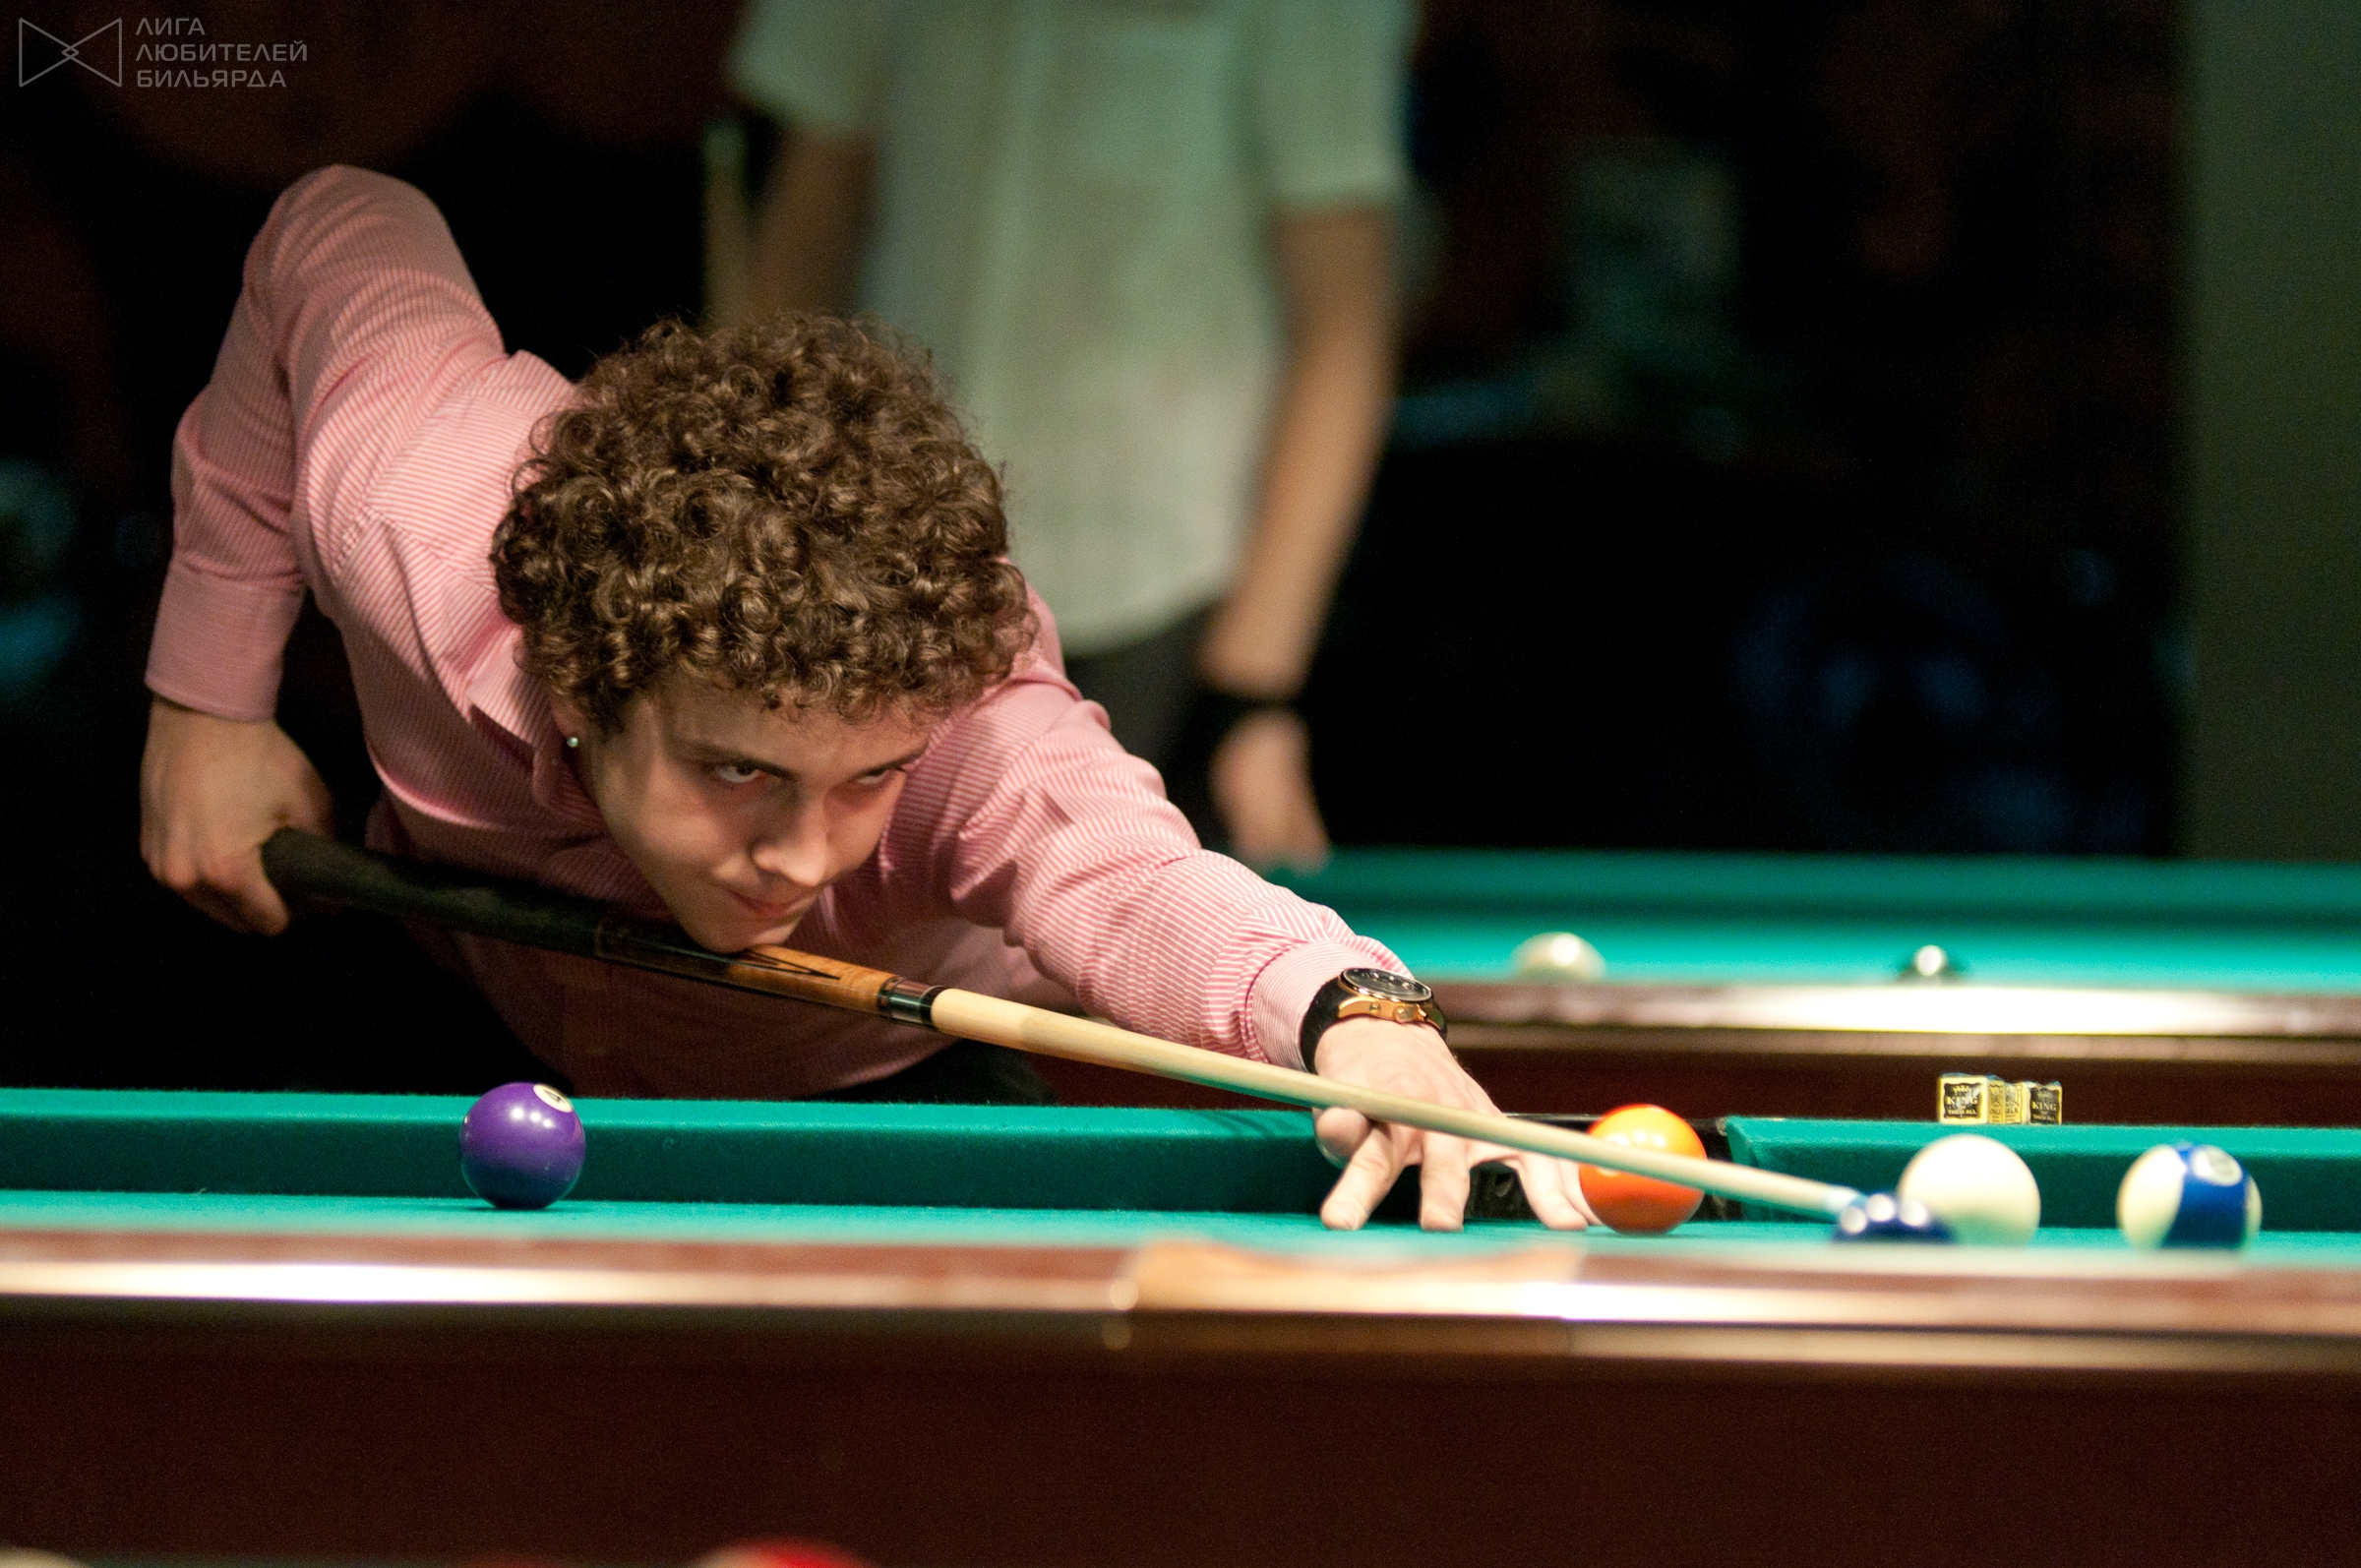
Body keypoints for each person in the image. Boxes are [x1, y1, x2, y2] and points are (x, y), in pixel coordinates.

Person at [138, 166, 1590, 1234]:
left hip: (894, 1093)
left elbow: (1132, 877)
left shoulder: (974, 739)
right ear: (582, 678)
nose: (804, 855)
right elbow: (335, 218)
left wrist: (1354, 1011)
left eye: (868, 780)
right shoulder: (413, 503)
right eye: (741, 772)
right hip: (467, 1025)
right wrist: (209, 699)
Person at [719, 0, 1411, 868]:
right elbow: (802, 233)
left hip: (1162, 606)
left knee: (1123, 925)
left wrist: (1250, 694)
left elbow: (1344, 325)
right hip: (883, 575)